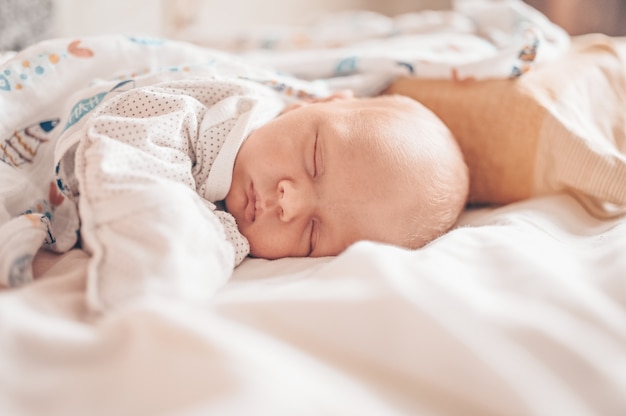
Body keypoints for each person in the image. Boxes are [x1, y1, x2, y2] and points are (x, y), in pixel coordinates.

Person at [225, 90, 469, 259]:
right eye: (314, 162)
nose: (289, 203)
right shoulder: (232, 105)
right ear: (321, 101)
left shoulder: (216, 238)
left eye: (312, 236)